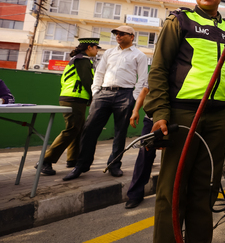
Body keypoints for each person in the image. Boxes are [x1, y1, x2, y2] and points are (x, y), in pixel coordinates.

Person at [144, 0, 225, 243]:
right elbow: (159, 70)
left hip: (217, 118)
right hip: (183, 116)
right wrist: (160, 113)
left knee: (206, 189)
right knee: (173, 191)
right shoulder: (180, 21)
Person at [63, 25, 148, 181]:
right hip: (103, 93)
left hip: (125, 94)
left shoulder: (139, 56)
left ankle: (114, 165)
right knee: (89, 130)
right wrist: (96, 93)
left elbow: (143, 79)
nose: (118, 36)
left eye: (122, 34)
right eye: (116, 33)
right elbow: (99, 73)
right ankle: (81, 166)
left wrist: (134, 98)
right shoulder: (109, 53)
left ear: (132, 37)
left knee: (120, 132)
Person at [36, 37, 100, 175]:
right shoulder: (82, 60)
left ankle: (73, 159)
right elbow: (87, 81)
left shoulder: (78, 59)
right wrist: (94, 97)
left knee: (78, 129)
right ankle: (45, 161)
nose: (97, 50)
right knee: (72, 129)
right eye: (96, 47)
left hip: (75, 98)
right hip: (74, 98)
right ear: (89, 47)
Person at [124, 84, 154, 209]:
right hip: (152, 118)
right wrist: (135, 110)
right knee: (145, 154)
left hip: (176, 119)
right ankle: (135, 194)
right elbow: (145, 90)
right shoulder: (158, 68)